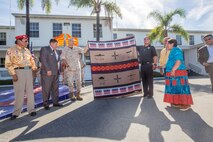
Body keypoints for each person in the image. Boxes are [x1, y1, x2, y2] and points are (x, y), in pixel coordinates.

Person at [5, 34, 37, 120]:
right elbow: (8, 63)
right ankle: (17, 112)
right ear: (19, 41)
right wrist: (13, 74)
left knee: (30, 91)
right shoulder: (11, 50)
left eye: (27, 41)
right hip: (18, 72)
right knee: (19, 92)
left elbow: (31, 60)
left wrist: (34, 69)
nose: (27, 42)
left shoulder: (27, 50)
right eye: (25, 41)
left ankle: (31, 110)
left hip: (28, 71)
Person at [163, 38, 193, 110]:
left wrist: (173, 69)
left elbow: (178, 60)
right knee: (174, 88)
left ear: (172, 44)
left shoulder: (176, 49)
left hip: (178, 72)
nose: (166, 45)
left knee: (180, 87)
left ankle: (185, 104)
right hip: (173, 72)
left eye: (167, 44)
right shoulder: (173, 51)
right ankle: (176, 102)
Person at [40, 39, 63, 110]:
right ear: (51, 43)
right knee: (46, 89)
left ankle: (55, 102)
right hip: (48, 73)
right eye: (56, 44)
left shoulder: (57, 51)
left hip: (56, 73)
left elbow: (59, 62)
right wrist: (48, 70)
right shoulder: (45, 49)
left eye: (57, 44)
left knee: (55, 88)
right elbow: (43, 60)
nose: (57, 45)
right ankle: (46, 104)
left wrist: (61, 70)